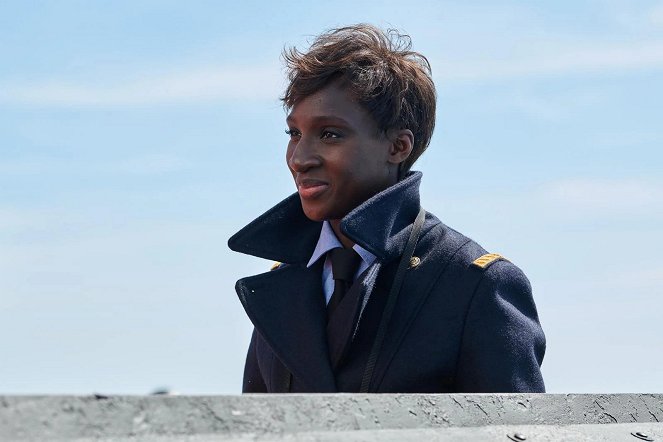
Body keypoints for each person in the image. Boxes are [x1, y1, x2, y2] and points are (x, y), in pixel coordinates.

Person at [228, 24, 545, 393]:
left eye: (329, 134)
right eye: (294, 133)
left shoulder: (474, 284)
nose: (299, 158)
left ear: (398, 147)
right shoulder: (283, 284)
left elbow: (515, 424)